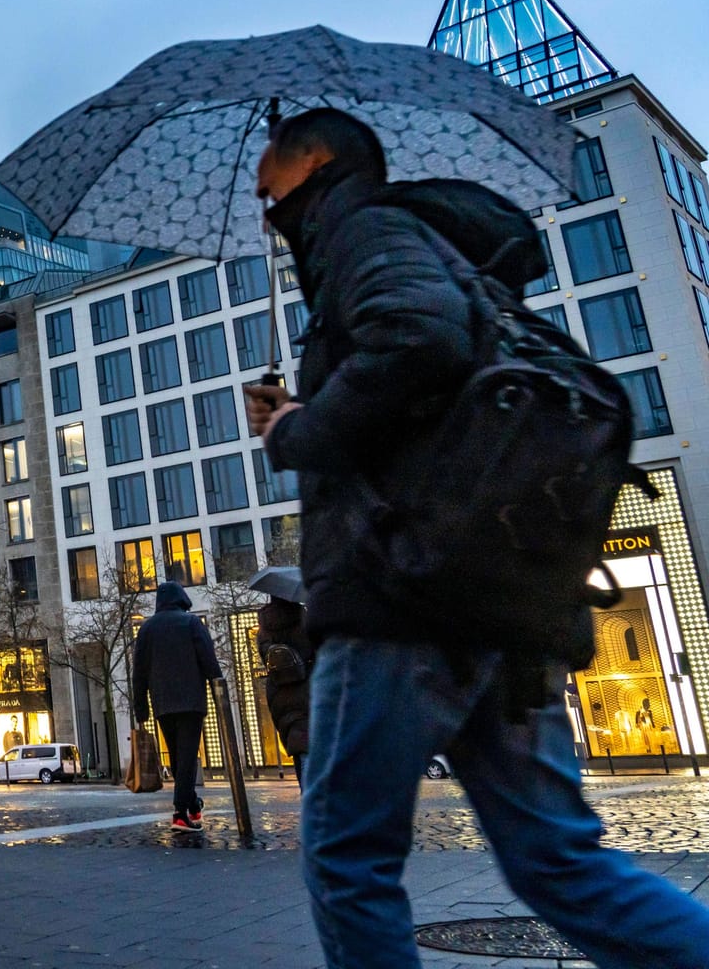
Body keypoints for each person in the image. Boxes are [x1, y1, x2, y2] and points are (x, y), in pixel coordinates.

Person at [245, 107, 709, 968]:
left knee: (349, 859)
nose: (259, 186)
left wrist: (297, 434)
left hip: (404, 595)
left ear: (313, 158)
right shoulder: (427, 247)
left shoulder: (364, 230)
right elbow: (429, 368)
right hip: (494, 603)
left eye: (268, 163)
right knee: (558, 861)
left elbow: (418, 337)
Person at [130, 575, 222, 831]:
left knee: (178, 756)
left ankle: (192, 805)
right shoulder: (192, 623)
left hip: (162, 704)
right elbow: (209, 661)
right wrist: (218, 692)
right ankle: (180, 812)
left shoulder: (147, 629)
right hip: (191, 701)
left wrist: (141, 707)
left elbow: (139, 671)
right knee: (188, 756)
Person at [255, 596, 312, 779]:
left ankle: (308, 796)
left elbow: (266, 658)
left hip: (279, 694)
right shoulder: (307, 620)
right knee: (314, 746)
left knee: (298, 743)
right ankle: (316, 800)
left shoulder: (264, 628)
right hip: (308, 690)